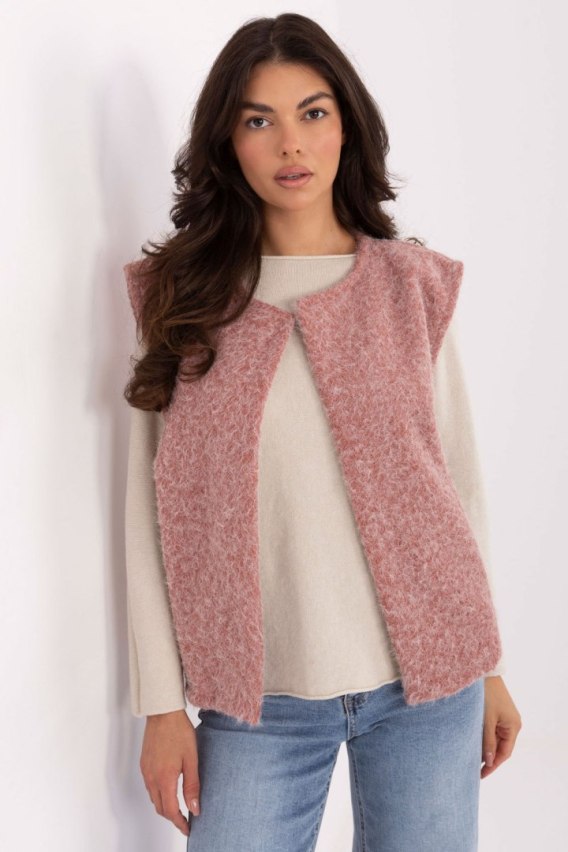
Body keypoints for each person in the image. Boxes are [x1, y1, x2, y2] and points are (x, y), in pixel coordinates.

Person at [122, 12, 522, 851]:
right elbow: (145, 512)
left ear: (347, 125)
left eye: (313, 112)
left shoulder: (411, 286)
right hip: (256, 706)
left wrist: (486, 665)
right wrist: (160, 705)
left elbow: (459, 483)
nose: (291, 143)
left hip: (428, 691)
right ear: (228, 142)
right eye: (258, 120)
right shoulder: (183, 300)